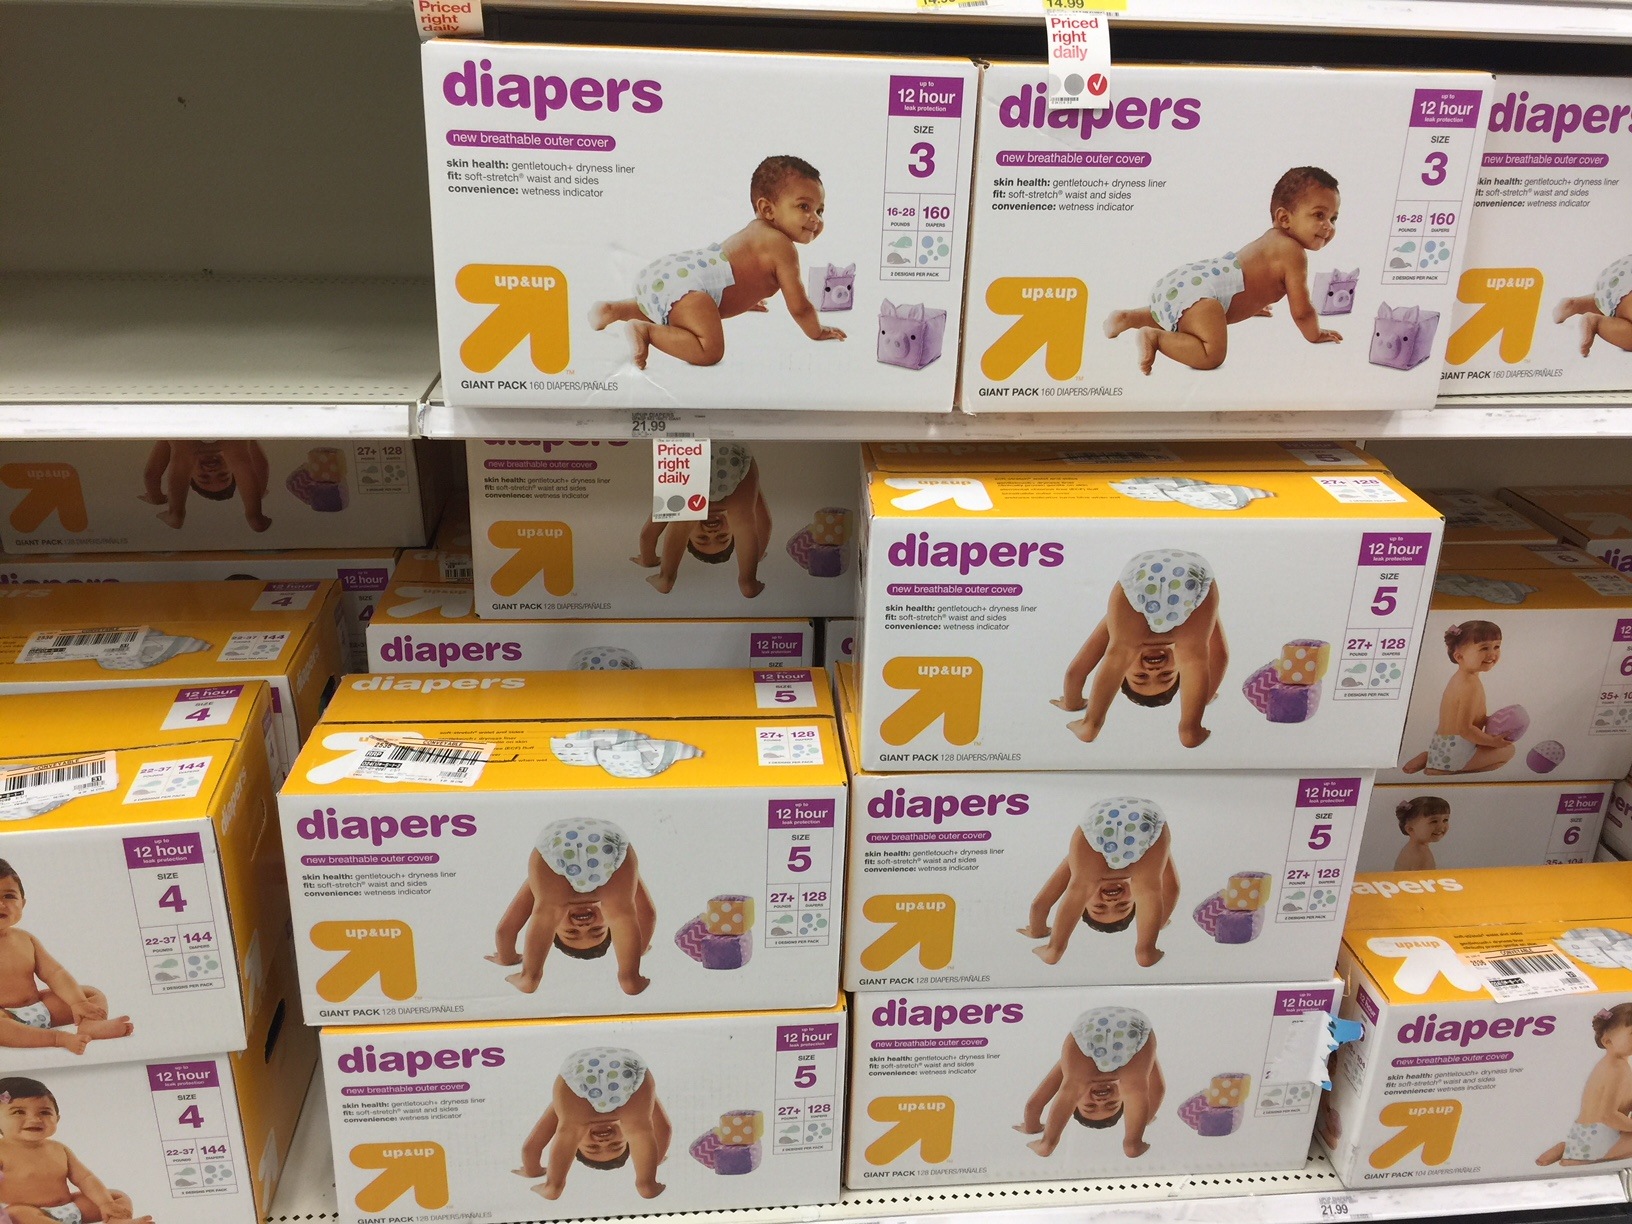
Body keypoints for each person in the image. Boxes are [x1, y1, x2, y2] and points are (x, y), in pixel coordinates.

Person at [589, 155, 846, 368]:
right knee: (709, 350)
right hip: (691, 289)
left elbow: (730, 273)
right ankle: (646, 331)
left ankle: (613, 310)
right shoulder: (781, 246)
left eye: (820, 210)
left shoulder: (753, 232)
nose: (816, 218)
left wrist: (747, 298)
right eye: (804, 207)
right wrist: (816, 331)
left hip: (670, 274)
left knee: (670, 304)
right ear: (768, 209)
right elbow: (799, 306)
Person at [1104, 167, 1343, 375]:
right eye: (1319, 215)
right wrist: (1315, 334)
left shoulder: (1269, 241)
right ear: (1284, 218)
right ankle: (1155, 338)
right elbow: (1302, 311)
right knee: (1212, 355)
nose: (1328, 226)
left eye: (1333, 218)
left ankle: (1127, 318)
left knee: (1182, 313)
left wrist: (1253, 303)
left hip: (1184, 284)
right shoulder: (1293, 253)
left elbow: (1244, 280)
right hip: (1204, 298)